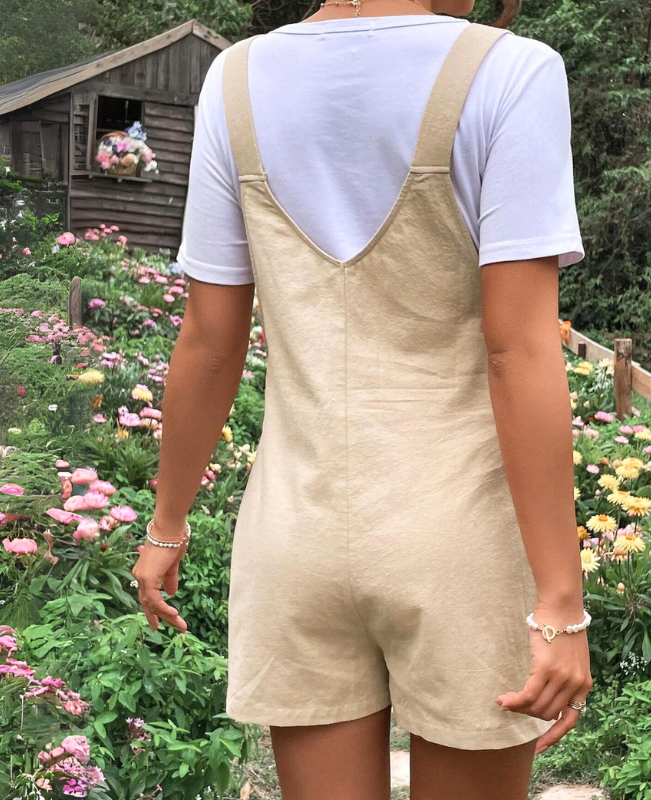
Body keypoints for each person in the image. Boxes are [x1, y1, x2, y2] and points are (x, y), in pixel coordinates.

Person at [130, 0, 592, 797]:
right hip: (459, 539)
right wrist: (560, 600)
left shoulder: (235, 80)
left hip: (295, 532)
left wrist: (167, 524)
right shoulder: (511, 71)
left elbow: (209, 339)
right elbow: (518, 350)